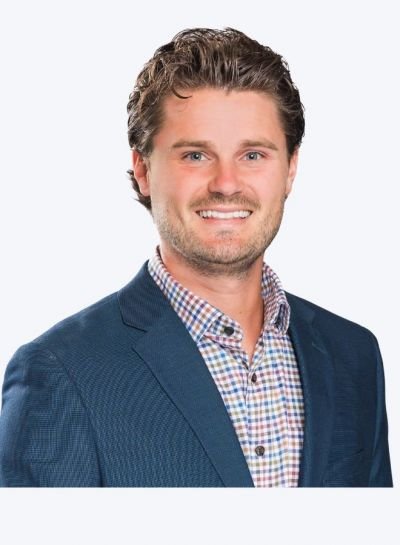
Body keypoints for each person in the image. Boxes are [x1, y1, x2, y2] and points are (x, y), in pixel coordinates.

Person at [0, 27, 392, 487]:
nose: (226, 183)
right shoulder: (60, 372)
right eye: (195, 156)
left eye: (253, 155)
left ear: (290, 169)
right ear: (143, 170)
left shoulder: (353, 355)